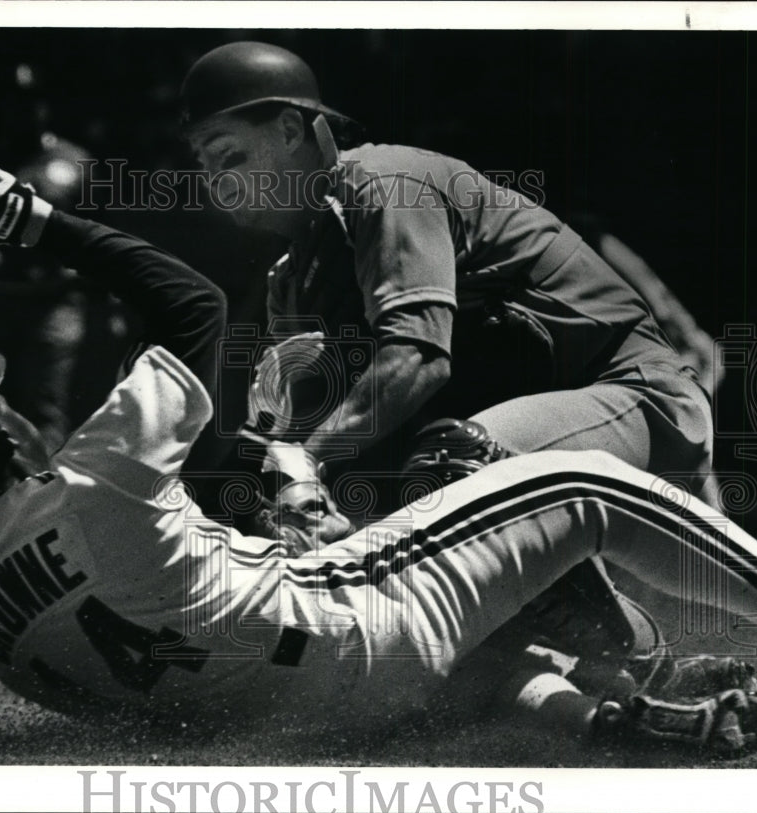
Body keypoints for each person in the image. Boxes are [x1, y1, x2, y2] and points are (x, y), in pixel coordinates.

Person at [0, 148, 757, 754]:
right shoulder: (97, 476)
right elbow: (190, 305)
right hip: (357, 638)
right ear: (2, 427)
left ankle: (617, 723)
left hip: (294, 717)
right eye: (1, 400)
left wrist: (267, 454)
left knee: (498, 673)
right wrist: (34, 222)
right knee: (579, 483)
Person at [180, 42, 714, 505]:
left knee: (445, 461)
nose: (215, 182)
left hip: (637, 403)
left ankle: (608, 624)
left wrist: (307, 462)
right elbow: (287, 435)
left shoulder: (387, 184)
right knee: (327, 498)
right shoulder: (290, 284)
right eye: (204, 168)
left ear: (291, 128)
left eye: (228, 156)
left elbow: (416, 360)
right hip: (530, 434)